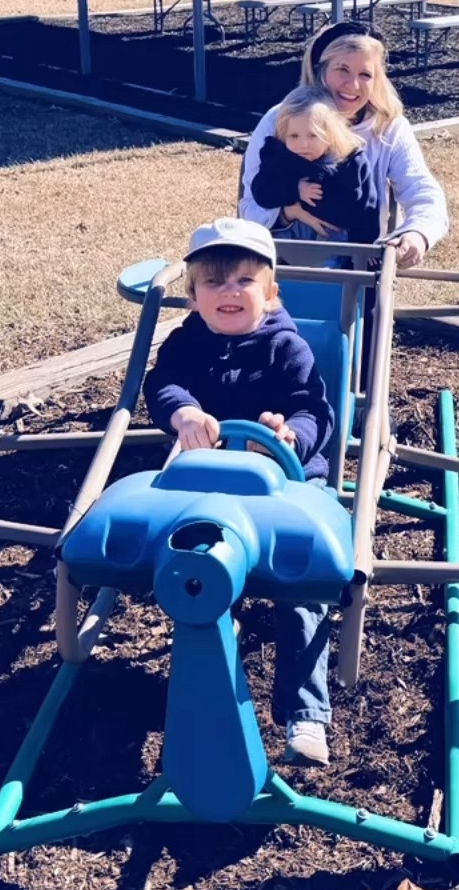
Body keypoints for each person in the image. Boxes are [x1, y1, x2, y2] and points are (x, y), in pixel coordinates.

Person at [142, 217, 335, 767]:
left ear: (271, 293)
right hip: (205, 480)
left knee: (301, 579)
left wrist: (289, 436)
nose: (229, 292)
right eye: (214, 282)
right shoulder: (186, 344)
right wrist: (182, 412)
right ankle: (201, 699)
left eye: (245, 281)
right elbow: (163, 384)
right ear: (194, 296)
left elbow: (312, 408)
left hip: (285, 481)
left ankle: (306, 714)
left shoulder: (286, 348)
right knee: (187, 570)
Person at [239, 22, 448, 266]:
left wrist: (417, 233)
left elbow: (422, 191)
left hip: (358, 265)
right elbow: (248, 208)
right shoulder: (282, 118)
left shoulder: (387, 126)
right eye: (342, 70)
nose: (354, 85)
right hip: (281, 263)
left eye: (365, 75)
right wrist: (288, 212)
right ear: (320, 71)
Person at [249, 87, 380, 244]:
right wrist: (294, 189)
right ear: (283, 135)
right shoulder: (279, 158)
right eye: (294, 136)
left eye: (313, 135)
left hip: (338, 242)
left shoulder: (350, 162)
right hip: (287, 241)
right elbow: (261, 192)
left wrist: (366, 245)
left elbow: (368, 207)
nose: (303, 144)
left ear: (330, 134)